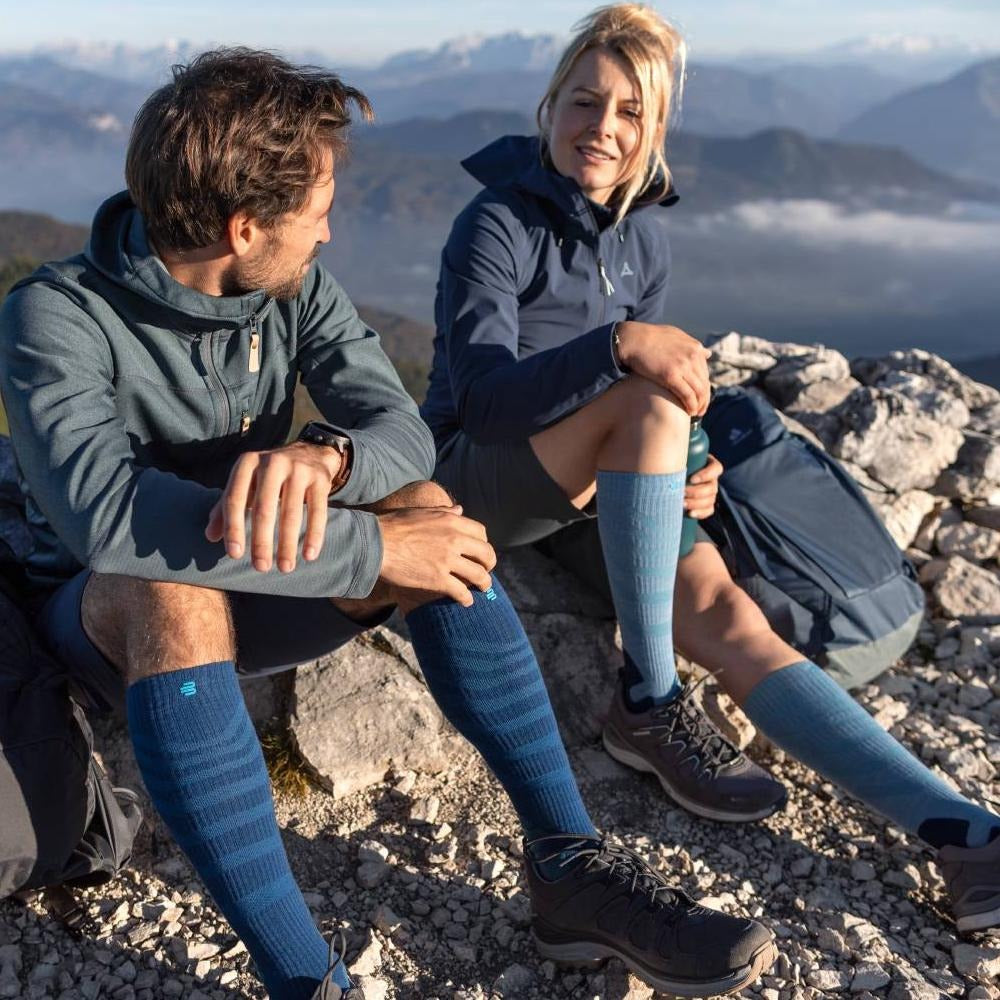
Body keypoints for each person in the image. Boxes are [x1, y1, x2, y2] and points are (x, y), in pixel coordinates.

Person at [0, 49, 779, 1000]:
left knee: (428, 510)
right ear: (244, 227)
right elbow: (106, 521)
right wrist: (368, 547)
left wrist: (326, 456)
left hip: (261, 580)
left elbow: (404, 428)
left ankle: (568, 867)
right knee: (173, 582)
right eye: (317, 206)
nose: (330, 230)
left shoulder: (286, 289)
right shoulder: (55, 316)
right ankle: (301, 977)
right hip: (97, 624)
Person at [423, 3, 1000, 934]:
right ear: (549, 105)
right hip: (475, 477)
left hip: (587, 493)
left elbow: (656, 409)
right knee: (648, 399)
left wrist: (687, 467)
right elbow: (485, 400)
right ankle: (649, 701)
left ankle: (968, 837)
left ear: (654, 133)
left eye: (627, 114)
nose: (599, 130)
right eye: (583, 102)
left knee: (734, 618)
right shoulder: (494, 223)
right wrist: (622, 351)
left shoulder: (644, 240)